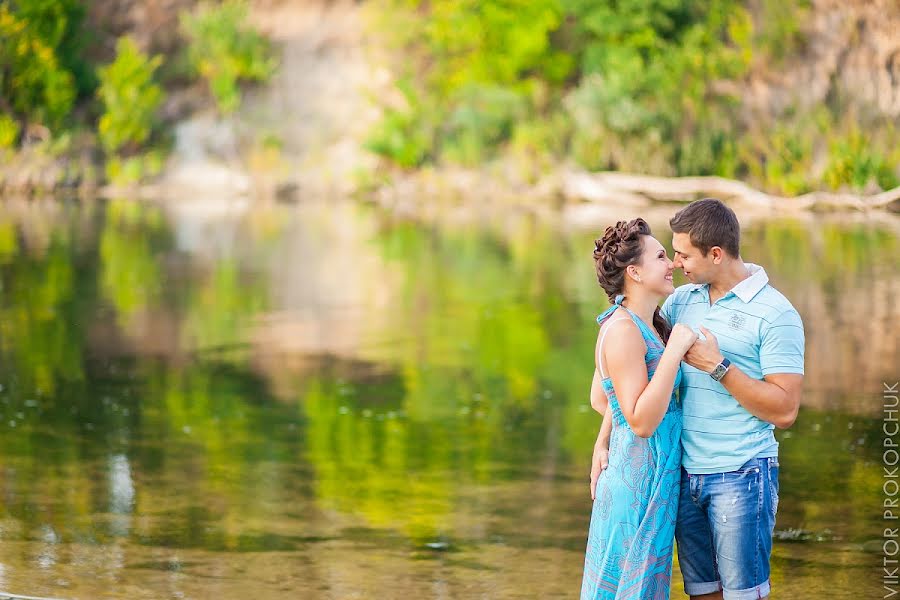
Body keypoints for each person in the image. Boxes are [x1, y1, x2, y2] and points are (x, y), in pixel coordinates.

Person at [591, 199, 805, 600]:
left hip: (741, 473)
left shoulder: (777, 314)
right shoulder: (680, 302)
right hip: (682, 476)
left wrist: (719, 366)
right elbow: (621, 387)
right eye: (669, 253)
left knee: (743, 595)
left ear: (716, 254)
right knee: (702, 593)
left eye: (683, 254)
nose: (675, 263)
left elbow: (786, 410)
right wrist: (603, 441)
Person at [581, 218, 698, 600]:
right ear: (634, 271)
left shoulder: (645, 324)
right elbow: (642, 421)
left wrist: (602, 443)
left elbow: (604, 399)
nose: (672, 264)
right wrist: (675, 352)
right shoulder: (623, 330)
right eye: (661, 256)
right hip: (636, 489)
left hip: (652, 484)